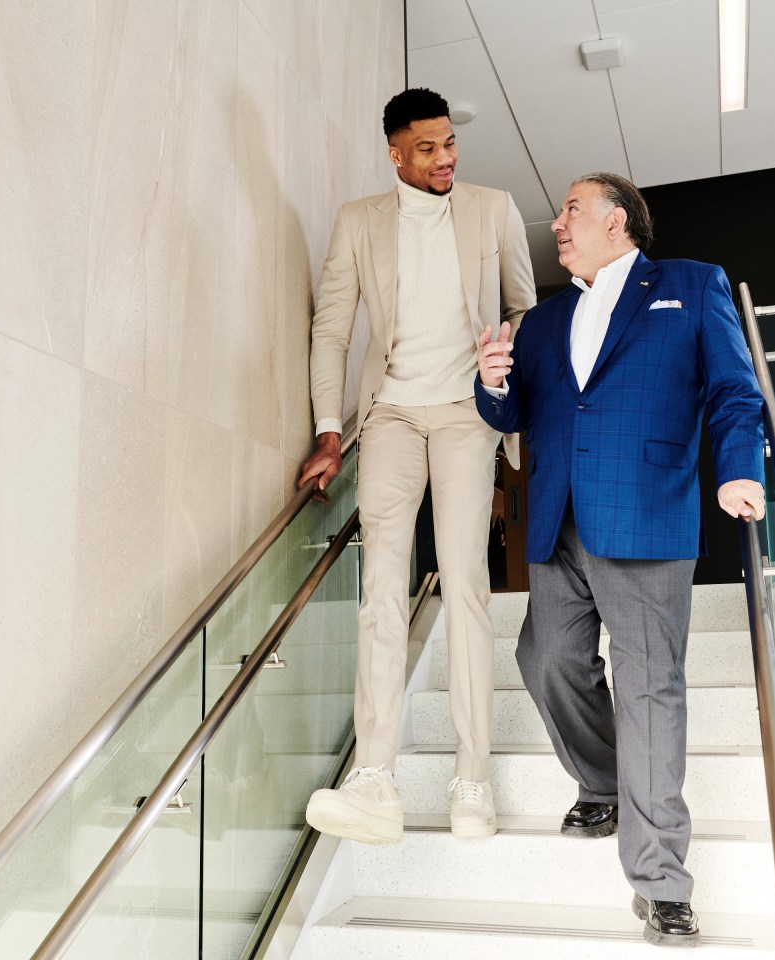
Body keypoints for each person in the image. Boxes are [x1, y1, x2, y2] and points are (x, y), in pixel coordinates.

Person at [474, 172, 765, 945]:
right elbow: (520, 411)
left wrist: (740, 468)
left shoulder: (690, 287)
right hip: (559, 520)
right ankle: (603, 779)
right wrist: (492, 385)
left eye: (571, 209)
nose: (557, 223)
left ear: (618, 221)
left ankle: (660, 881)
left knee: (648, 690)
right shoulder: (542, 320)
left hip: (645, 515)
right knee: (545, 660)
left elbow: (735, 391)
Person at [300, 88, 535, 844]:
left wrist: (506, 357)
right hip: (391, 416)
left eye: (449, 143)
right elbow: (332, 328)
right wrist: (329, 430)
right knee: (380, 589)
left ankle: (473, 779)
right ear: (395, 155)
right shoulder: (358, 222)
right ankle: (375, 778)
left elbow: (525, 309)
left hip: (467, 412)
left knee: (464, 582)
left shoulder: (494, 209)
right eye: (427, 148)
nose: (444, 158)